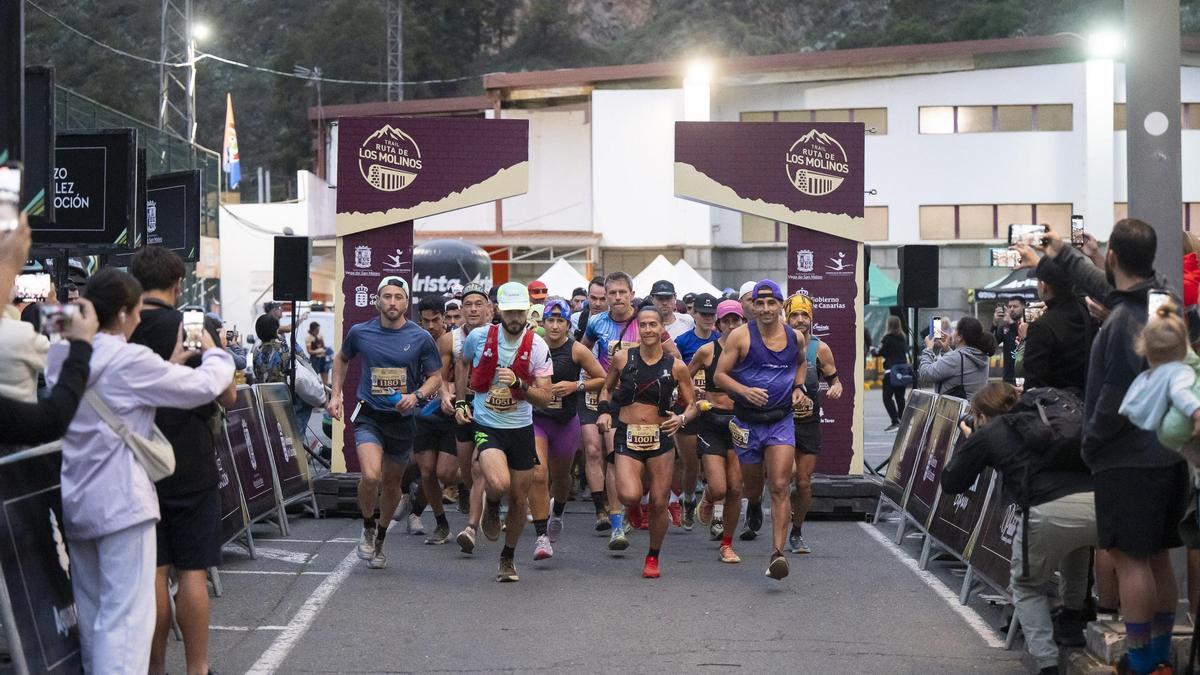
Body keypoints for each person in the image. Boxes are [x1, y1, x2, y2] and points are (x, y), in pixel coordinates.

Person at [46, 268, 234, 673]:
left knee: (95, 615)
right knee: (127, 620)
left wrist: (170, 363)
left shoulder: (61, 356)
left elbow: (121, 390)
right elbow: (204, 387)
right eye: (134, 312)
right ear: (122, 313)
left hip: (78, 498)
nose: (138, 319)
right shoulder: (127, 359)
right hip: (123, 502)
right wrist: (216, 351)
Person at [1041, 218, 1186, 675]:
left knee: (1130, 560)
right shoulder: (1163, 302)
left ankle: (1140, 660)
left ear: (1114, 257)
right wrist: (1065, 253)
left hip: (1128, 459)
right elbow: (1114, 291)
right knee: (1158, 556)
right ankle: (1158, 656)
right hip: (1169, 454)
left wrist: (1090, 444)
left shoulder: (1122, 323)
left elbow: (1112, 401)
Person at [128, 247, 239, 675]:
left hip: (138, 457)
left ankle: (154, 669)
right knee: (193, 570)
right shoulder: (192, 326)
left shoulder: (124, 326)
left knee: (153, 572)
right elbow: (227, 395)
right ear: (178, 285)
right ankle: (197, 669)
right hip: (190, 456)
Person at [941, 383, 1096, 675]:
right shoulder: (1049, 419)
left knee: (1026, 586)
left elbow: (952, 481)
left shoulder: (990, 432)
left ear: (981, 415)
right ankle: (1073, 623)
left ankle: (1047, 664)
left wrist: (970, 441)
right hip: (1097, 502)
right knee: (1075, 546)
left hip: (1045, 507)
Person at [326, 276, 443, 570]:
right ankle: (367, 525)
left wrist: (415, 396)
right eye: (387, 296)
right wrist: (336, 394)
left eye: (398, 297)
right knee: (370, 476)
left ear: (406, 303)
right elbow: (341, 359)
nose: (392, 302)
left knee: (392, 483)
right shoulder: (360, 332)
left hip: (402, 421)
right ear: (377, 301)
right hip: (370, 416)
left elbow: (435, 378)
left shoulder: (420, 337)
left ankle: (380, 537)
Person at [454, 282, 554, 581]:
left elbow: (545, 398)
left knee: (520, 499)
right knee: (498, 482)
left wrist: (519, 384)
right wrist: (461, 401)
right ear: (497, 310)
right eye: (509, 312)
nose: (515, 318)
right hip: (488, 425)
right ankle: (493, 502)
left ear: (527, 311)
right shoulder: (479, 337)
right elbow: (462, 363)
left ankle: (507, 558)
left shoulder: (537, 346)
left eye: (519, 312)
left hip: (520, 428)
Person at [714, 279, 809, 580]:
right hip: (747, 421)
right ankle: (754, 504)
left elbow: (802, 363)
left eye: (771, 303)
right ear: (752, 307)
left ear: (781, 305)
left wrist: (799, 387)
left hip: (781, 420)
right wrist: (744, 391)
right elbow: (719, 376)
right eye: (760, 303)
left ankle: (777, 554)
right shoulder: (741, 337)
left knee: (780, 485)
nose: (766, 309)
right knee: (752, 487)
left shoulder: (795, 337)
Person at [597, 302, 697, 578]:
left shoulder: (676, 366)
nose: (648, 329)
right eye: (643, 325)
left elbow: (692, 404)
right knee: (629, 494)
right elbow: (606, 389)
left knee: (659, 502)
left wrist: (682, 419)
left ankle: (652, 557)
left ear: (663, 328)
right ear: (637, 329)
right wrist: (604, 412)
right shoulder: (622, 358)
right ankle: (633, 508)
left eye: (654, 324)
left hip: (660, 436)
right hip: (627, 433)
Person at [533, 298, 606, 546]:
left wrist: (576, 385)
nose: (554, 326)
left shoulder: (576, 350)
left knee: (562, 477)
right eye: (550, 320)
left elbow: (603, 378)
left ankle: (558, 513)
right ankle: (541, 534)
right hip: (537, 420)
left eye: (560, 321)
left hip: (565, 422)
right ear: (543, 323)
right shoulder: (533, 346)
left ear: (567, 324)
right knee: (539, 473)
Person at [783, 293, 843, 555]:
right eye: (794, 315)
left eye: (804, 315)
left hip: (808, 422)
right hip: (780, 421)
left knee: (804, 482)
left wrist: (836, 387)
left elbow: (835, 380)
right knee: (786, 475)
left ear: (811, 318)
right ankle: (762, 509)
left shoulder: (820, 349)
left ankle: (796, 531)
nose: (800, 320)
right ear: (786, 318)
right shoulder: (777, 345)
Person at [689, 300, 747, 561]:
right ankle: (709, 498)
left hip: (741, 422)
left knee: (735, 489)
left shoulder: (750, 350)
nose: (732, 325)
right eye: (727, 321)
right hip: (712, 423)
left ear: (743, 322)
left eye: (736, 320)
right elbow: (683, 377)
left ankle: (727, 544)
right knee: (720, 488)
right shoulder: (707, 351)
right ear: (719, 324)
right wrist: (695, 393)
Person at [446, 282, 494, 551]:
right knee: (466, 471)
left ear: (489, 308)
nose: (473, 309)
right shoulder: (451, 340)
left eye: (479, 304)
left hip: (493, 412)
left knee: (479, 469)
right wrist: (454, 398)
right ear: (461, 309)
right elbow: (443, 373)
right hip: (464, 409)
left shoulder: (499, 334)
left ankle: (471, 527)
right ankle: (474, 495)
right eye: (468, 305)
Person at [409, 296, 460, 544]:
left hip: (450, 415)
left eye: (435, 320)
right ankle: (441, 523)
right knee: (426, 471)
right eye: (425, 321)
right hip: (423, 415)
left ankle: (471, 486)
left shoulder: (454, 342)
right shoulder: (414, 341)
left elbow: (453, 376)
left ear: (444, 318)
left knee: (446, 473)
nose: (430, 325)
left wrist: (450, 392)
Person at [672, 292, 720, 528]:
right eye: (703, 314)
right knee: (691, 465)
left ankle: (716, 513)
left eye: (712, 314)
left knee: (715, 465)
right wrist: (688, 389)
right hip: (688, 407)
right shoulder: (682, 341)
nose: (708, 318)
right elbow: (676, 375)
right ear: (694, 315)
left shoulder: (722, 341)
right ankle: (689, 500)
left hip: (715, 410)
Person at [1019, 258, 1090, 393]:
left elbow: (1034, 386)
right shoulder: (1086, 311)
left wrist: (1027, 339)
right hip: (1087, 398)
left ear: (1044, 286)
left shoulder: (1041, 327)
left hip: (1056, 402)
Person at [918, 317, 993, 400]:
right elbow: (960, 365)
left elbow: (925, 374)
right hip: (974, 406)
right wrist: (947, 350)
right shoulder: (981, 355)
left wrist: (928, 349)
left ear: (960, 337)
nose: (952, 333)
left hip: (953, 407)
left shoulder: (955, 358)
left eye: (955, 330)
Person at [878, 315, 910, 431]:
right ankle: (902, 421)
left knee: (887, 397)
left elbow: (880, 352)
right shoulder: (903, 338)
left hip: (890, 372)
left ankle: (895, 421)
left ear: (889, 325)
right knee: (900, 398)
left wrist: (873, 350)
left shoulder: (887, 339)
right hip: (902, 372)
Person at [991, 297, 1025, 384]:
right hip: (1009, 377)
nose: (1012, 309)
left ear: (1024, 307)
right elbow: (991, 344)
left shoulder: (1029, 324)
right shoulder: (1005, 327)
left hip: (1026, 375)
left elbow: (1020, 335)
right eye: (1010, 307)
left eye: (1015, 306)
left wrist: (1011, 322)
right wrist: (994, 323)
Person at [252, 313, 289, 384]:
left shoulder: (256, 351)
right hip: (283, 390)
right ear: (275, 330)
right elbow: (305, 362)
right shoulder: (284, 347)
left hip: (262, 390)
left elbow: (256, 373)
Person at [305, 321, 330, 387]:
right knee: (315, 377)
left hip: (322, 358)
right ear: (312, 330)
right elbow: (309, 351)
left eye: (318, 330)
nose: (318, 331)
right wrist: (318, 351)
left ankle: (326, 390)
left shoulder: (320, 336)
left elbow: (323, 346)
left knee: (325, 377)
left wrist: (324, 350)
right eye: (316, 330)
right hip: (315, 359)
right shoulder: (308, 338)